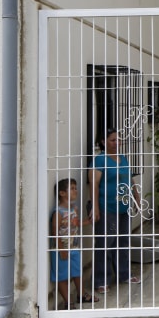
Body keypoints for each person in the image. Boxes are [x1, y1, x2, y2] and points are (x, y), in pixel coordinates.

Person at [88, 128, 141, 294]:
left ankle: (124, 274)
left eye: (118, 139)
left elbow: (129, 179)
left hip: (123, 207)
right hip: (107, 208)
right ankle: (101, 280)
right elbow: (94, 184)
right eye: (112, 140)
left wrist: (136, 198)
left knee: (123, 241)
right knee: (105, 243)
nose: (117, 143)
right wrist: (96, 207)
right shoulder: (100, 160)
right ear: (104, 142)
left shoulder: (123, 159)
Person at [50, 178, 98, 308]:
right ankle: (67, 301)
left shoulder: (73, 209)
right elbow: (55, 232)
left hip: (74, 247)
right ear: (62, 193)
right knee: (62, 275)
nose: (75, 190)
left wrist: (88, 222)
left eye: (75, 188)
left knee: (77, 272)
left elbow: (75, 223)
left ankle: (81, 295)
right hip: (61, 249)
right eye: (72, 188)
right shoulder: (58, 212)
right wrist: (61, 249)